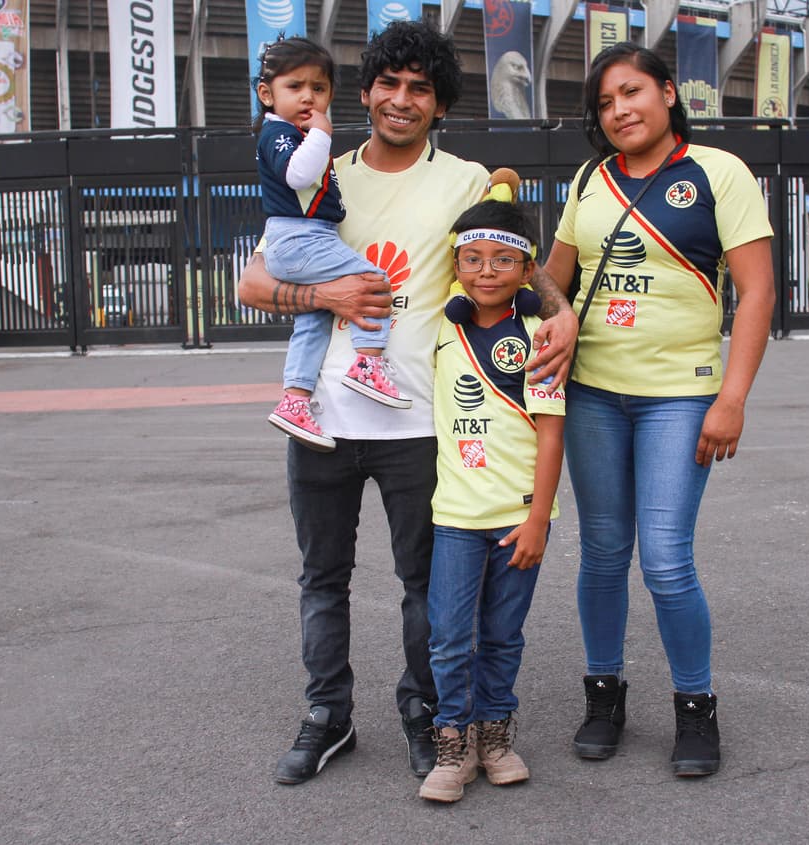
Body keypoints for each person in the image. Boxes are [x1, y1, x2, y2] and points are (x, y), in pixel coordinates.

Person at [236, 20, 577, 787]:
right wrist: (325, 295)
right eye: (388, 84)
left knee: (425, 588)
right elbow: (252, 282)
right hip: (322, 417)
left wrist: (562, 311)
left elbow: (515, 255)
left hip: (420, 422)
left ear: (440, 104)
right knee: (322, 579)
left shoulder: (463, 180)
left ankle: (429, 714)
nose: (401, 99)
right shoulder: (318, 168)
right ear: (362, 94)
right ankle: (328, 714)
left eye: (419, 88)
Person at [542, 43, 775, 778]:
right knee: (603, 552)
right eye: (605, 102)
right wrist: (551, 310)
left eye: (632, 92)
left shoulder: (718, 172)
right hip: (591, 395)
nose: (620, 110)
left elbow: (758, 292)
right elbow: (551, 280)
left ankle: (695, 706)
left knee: (668, 561)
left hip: (681, 395)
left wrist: (732, 398)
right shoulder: (590, 178)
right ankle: (603, 696)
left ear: (669, 93)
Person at [419, 198, 565, 803]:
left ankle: (495, 736)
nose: (486, 271)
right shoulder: (439, 325)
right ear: (454, 265)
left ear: (529, 269)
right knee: (450, 638)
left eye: (503, 260)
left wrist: (538, 520)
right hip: (455, 517)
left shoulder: (542, 335)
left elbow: (552, 433)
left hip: (518, 519)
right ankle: (453, 743)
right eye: (472, 259)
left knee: (503, 635)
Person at [252, 37, 410, 453]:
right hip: (301, 236)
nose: (308, 97)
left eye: (319, 88)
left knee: (313, 319)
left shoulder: (290, 133)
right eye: (295, 87)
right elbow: (298, 175)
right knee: (372, 280)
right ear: (266, 94)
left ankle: (295, 400)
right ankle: (368, 362)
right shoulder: (280, 133)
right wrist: (321, 134)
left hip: (302, 236)